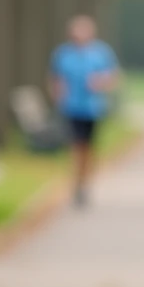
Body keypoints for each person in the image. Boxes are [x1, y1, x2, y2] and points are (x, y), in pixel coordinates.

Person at [49, 15, 121, 207]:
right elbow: (55, 79)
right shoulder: (63, 54)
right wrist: (58, 94)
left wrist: (100, 82)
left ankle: (85, 183)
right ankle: (77, 183)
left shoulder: (101, 53)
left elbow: (113, 77)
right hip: (71, 108)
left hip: (93, 109)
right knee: (75, 146)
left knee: (88, 148)